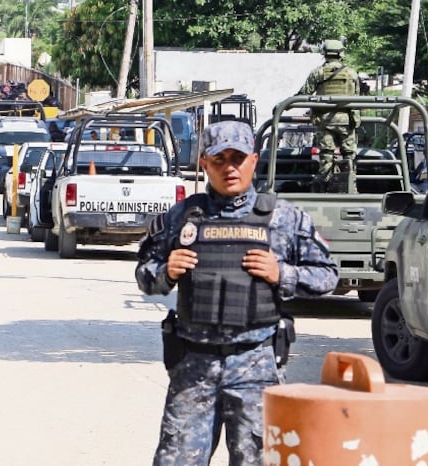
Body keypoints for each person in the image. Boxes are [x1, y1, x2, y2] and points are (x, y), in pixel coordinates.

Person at [135, 120, 339, 466]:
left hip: (255, 364)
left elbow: (328, 276)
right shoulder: (182, 217)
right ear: (204, 164)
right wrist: (165, 271)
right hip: (193, 366)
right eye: (219, 160)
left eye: (238, 159)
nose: (230, 168)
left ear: (254, 161)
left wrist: (282, 273)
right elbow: (145, 274)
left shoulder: (283, 219)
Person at [299, 39, 361, 188]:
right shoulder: (351, 73)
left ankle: (326, 187)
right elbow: (357, 98)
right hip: (346, 121)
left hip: (324, 121)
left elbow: (303, 94)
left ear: (324, 54)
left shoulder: (317, 73)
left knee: (326, 155)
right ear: (341, 54)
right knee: (349, 155)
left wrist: (285, 105)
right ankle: (350, 186)